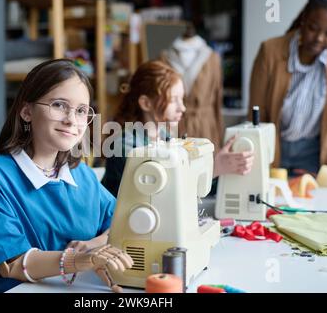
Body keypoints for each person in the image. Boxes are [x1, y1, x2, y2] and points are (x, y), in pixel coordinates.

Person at [0, 59, 133, 293]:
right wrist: (81, 258)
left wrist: (94, 246)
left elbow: (122, 223)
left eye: (81, 111)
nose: (71, 120)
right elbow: (12, 265)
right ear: (26, 111)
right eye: (58, 105)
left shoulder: (83, 176)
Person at [102, 60, 254, 197]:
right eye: (173, 100)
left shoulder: (165, 136)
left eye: (181, 99)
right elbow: (158, 197)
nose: (182, 108)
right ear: (146, 103)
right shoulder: (125, 147)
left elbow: (196, 190)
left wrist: (223, 169)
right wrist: (215, 168)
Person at [250, 0, 327, 175]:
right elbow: (257, 114)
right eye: (313, 28)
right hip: (275, 147)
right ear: (303, 20)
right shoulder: (270, 52)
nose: (319, 38)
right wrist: (258, 163)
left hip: (313, 152)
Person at [162, 23, 224, 151]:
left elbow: (217, 99)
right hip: (175, 127)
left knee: (207, 166)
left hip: (205, 126)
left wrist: (219, 133)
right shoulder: (165, 58)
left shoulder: (212, 58)